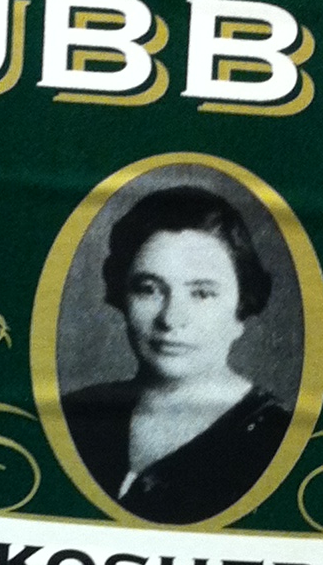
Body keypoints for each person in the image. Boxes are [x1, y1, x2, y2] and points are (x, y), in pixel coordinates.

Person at [62, 185, 292, 524]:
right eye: (149, 289)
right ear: (122, 296)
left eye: (201, 293)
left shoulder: (278, 439)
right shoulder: (75, 413)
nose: (170, 318)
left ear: (241, 308)